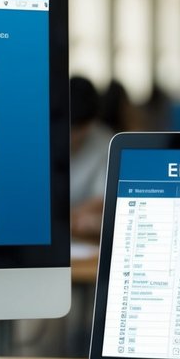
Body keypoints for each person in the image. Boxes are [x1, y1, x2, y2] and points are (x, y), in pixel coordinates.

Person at [69, 75, 113, 242]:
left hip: (80, 231)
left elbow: (102, 198)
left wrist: (65, 220)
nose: (70, 135)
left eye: (76, 129)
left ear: (91, 123)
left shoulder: (104, 143)